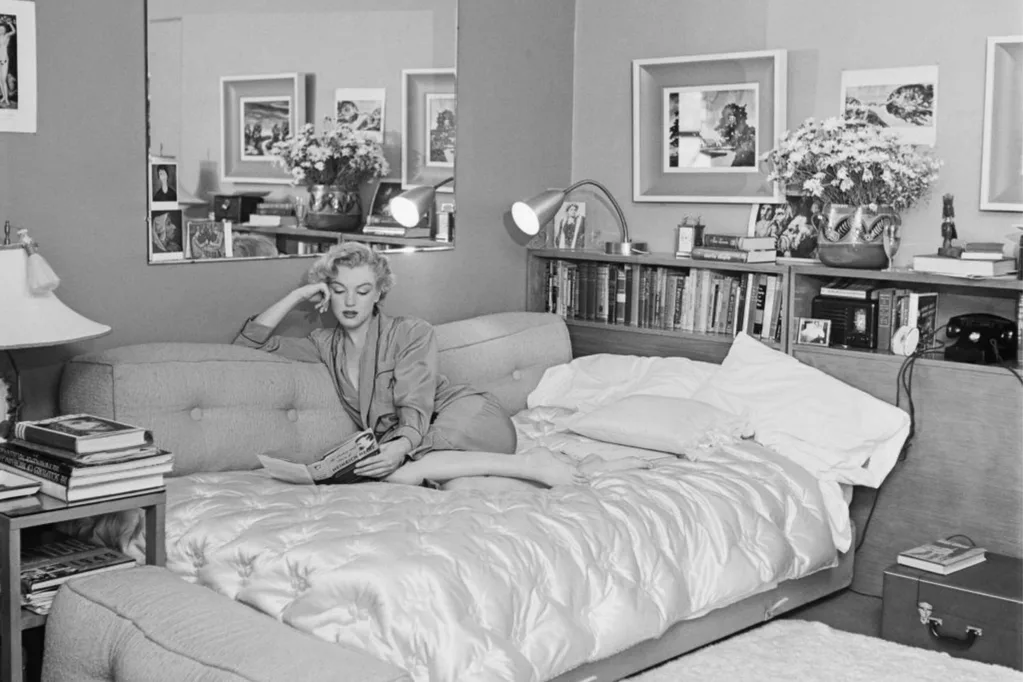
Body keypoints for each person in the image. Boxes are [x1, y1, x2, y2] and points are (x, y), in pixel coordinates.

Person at [234, 242, 646, 490]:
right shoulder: (325, 344)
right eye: (339, 291)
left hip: (468, 416)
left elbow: (415, 401)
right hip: (429, 442)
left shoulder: (411, 332)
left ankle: (531, 462)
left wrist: (398, 448)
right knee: (465, 487)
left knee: (402, 475)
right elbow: (250, 343)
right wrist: (299, 295)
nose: (349, 302)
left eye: (362, 291)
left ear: (380, 292)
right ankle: (581, 466)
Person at [714, 103, 756, 167]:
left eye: (730, 117)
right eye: (726, 118)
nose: (726, 122)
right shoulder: (737, 137)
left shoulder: (751, 136)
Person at [0, 17, 15, 107]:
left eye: (2, 29)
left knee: (3, 79)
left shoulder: (6, 36)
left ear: (5, 30)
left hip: (4, 60)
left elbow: (13, 32)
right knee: (0, 81)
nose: (0, 30)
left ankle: (6, 99)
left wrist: (10, 24)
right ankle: (4, 97)